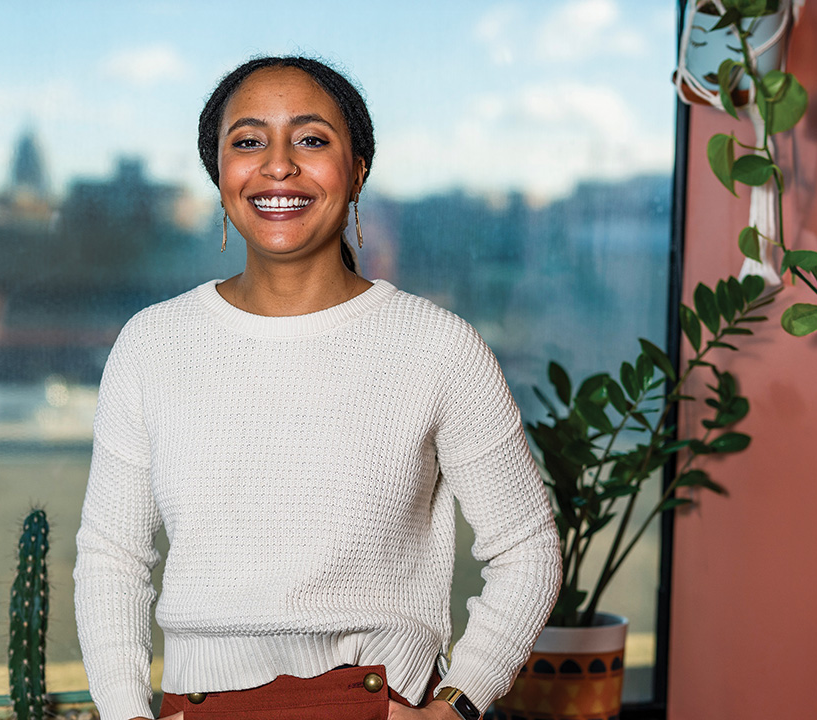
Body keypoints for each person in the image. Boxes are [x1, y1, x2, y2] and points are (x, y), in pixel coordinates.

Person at [73, 56, 561, 720]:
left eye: (310, 139)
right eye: (248, 141)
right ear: (219, 174)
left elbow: (527, 548)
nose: (278, 165)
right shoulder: (152, 345)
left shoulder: (438, 346)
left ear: (357, 169)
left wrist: (458, 706)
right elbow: (112, 558)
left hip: (380, 702)